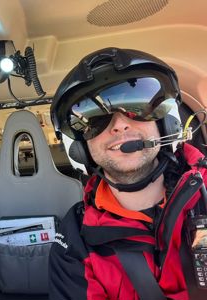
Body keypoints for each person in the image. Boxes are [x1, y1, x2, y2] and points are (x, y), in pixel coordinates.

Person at [48, 47, 207, 299]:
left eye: (137, 107)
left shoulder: (204, 196)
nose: (120, 124)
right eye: (95, 119)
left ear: (166, 122)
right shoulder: (74, 238)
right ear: (79, 147)